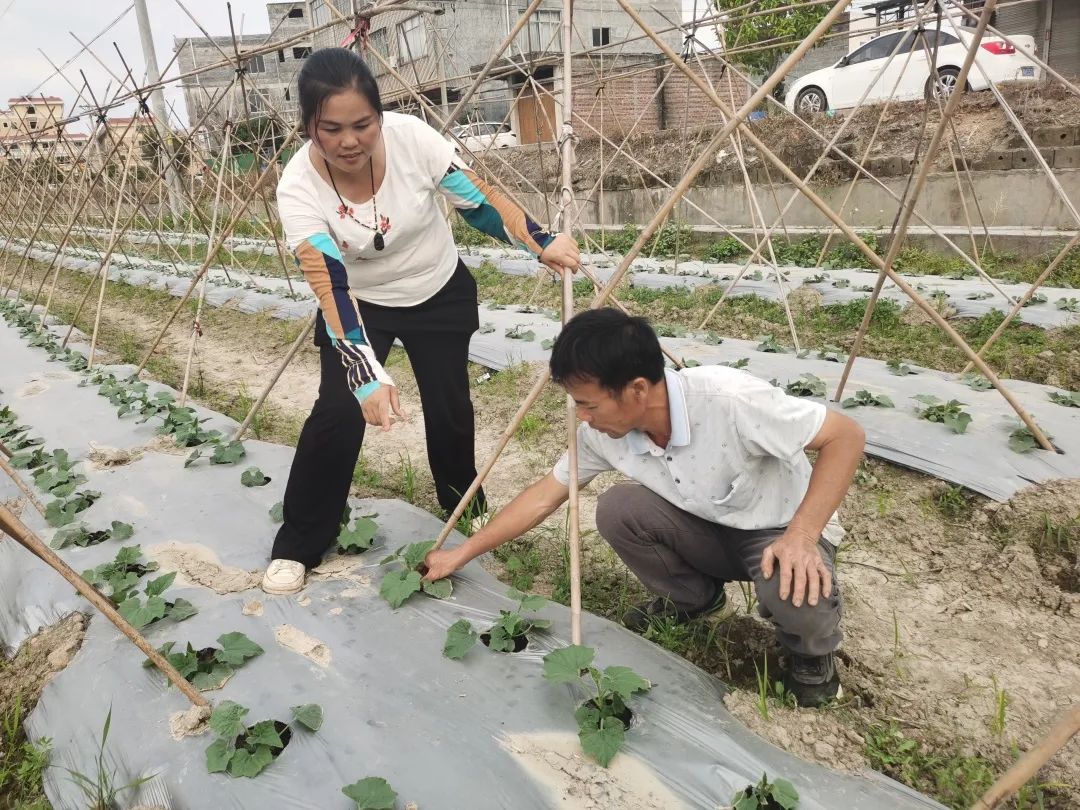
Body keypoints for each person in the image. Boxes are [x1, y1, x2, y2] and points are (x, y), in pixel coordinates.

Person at [423, 308, 866, 707]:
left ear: (636, 390)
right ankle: (694, 599)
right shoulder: (602, 434)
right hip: (708, 525)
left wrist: (804, 536)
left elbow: (846, 437)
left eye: (588, 404)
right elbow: (545, 495)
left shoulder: (729, 401)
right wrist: (462, 553)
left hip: (778, 528)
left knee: (792, 580)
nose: (582, 416)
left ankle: (812, 656)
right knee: (618, 508)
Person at [261, 48, 579, 595]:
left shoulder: (413, 140)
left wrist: (540, 242)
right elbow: (330, 283)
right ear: (309, 126)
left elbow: (478, 203)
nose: (349, 141)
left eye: (362, 124)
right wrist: (364, 374)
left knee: (450, 402)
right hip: (361, 301)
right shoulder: (297, 188)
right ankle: (300, 541)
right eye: (330, 129)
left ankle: (461, 503)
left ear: (380, 117)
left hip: (436, 288)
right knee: (337, 411)